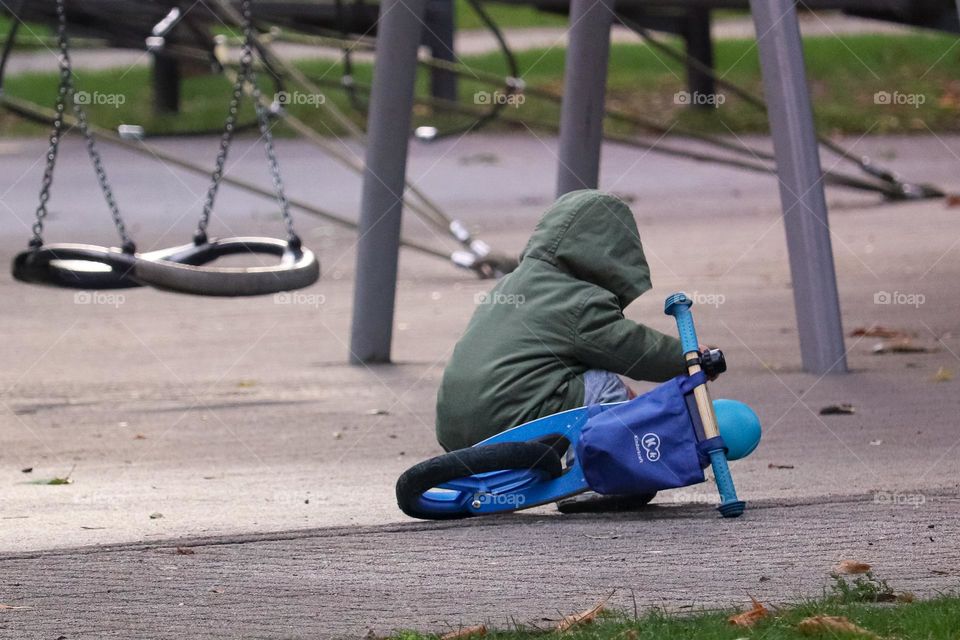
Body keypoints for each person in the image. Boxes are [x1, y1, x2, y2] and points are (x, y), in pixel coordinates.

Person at [436, 190, 691, 509]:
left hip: (454, 430)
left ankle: (503, 478)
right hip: (509, 418)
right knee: (604, 384)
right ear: (612, 254)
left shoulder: (512, 284)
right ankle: (598, 480)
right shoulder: (578, 301)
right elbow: (631, 348)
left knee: (560, 377)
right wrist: (690, 357)